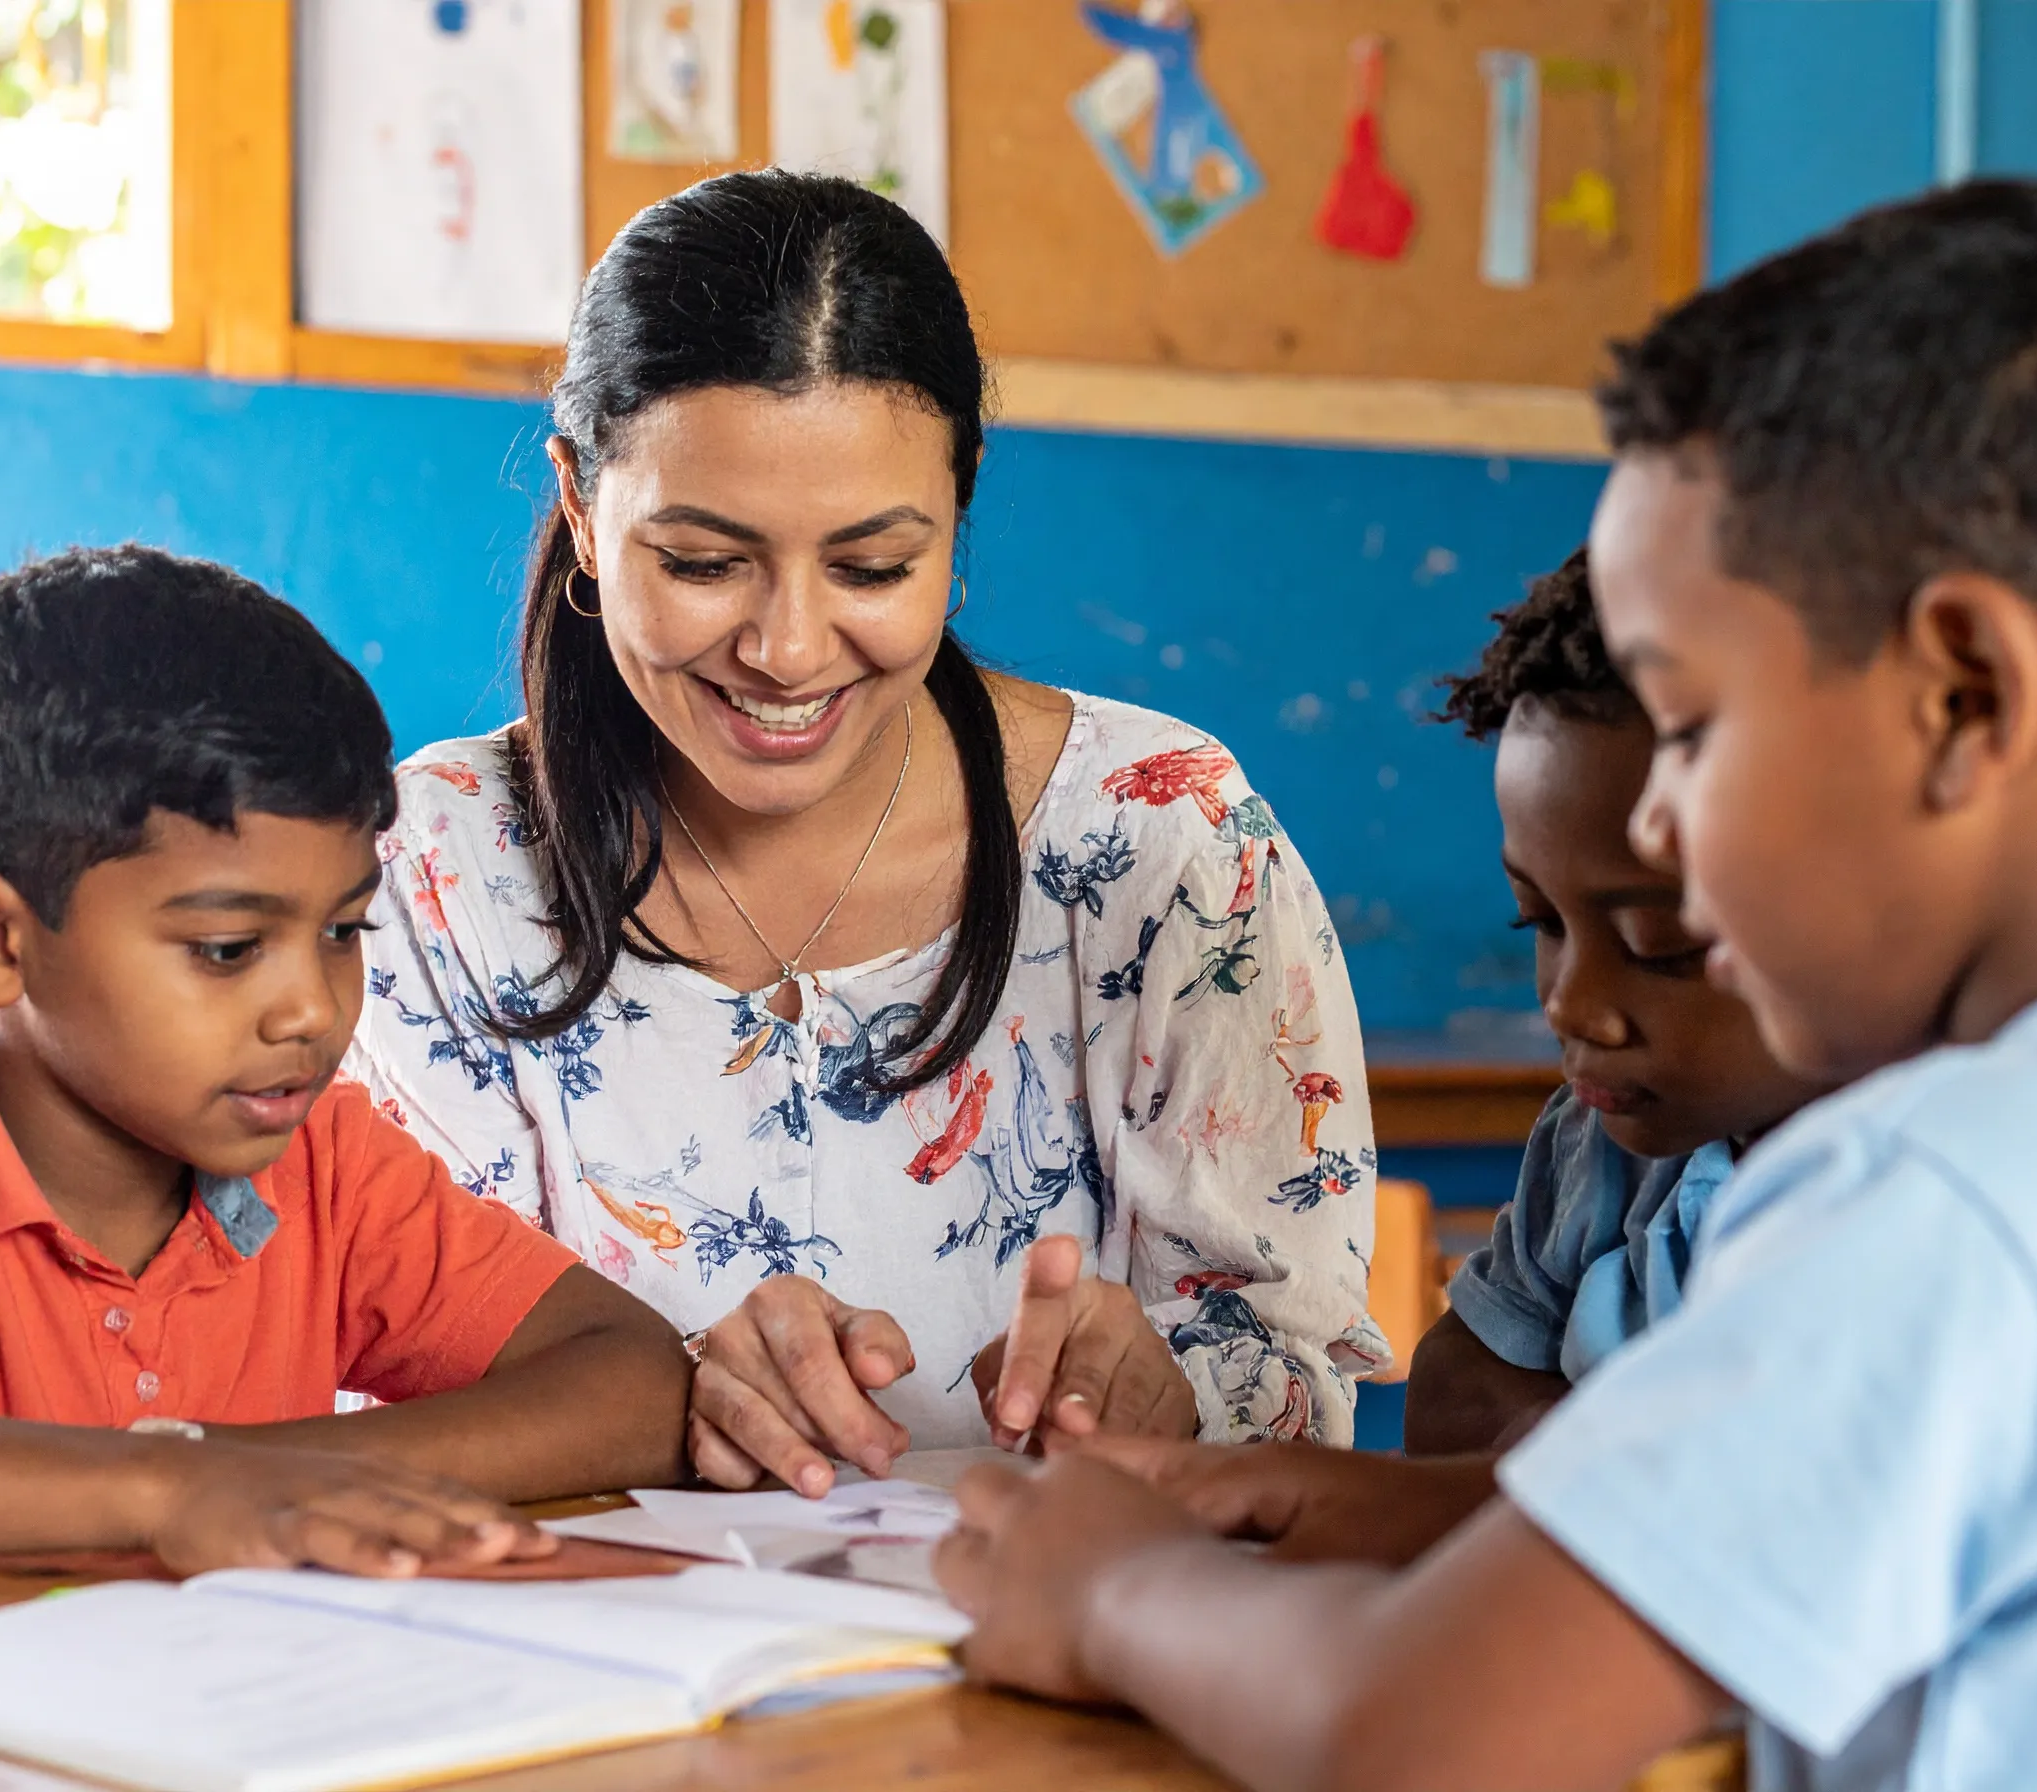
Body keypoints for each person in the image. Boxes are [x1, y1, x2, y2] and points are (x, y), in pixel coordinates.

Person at [937, 178, 2037, 1792]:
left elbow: (1407, 1733)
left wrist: (1115, 1593)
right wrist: (1396, 1507)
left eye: (1688, 729)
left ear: (1962, 694)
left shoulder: (1937, 1190)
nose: (1666, 819)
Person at [347, 168, 1386, 1497]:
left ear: (960, 512)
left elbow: (1302, 1378)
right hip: (584, 1677)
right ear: (583, 504)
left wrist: (1177, 1392)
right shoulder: (433, 873)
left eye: (874, 567)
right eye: (704, 561)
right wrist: (663, 1400)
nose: (785, 650)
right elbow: (384, 1377)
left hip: (1048, 1664)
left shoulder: (1165, 842)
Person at [0, 546, 690, 1576]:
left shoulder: (324, 1170)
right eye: (227, 949)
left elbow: (633, 1378)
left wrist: (249, 1470)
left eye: (345, 930)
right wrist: (166, 1488)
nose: (312, 1009)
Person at [1068, 548, 1828, 1565]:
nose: (1574, 1003)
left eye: (1660, 946)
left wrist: (1550, 1470)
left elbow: (1749, 1531)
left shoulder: (1923, 1191)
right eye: (1539, 923)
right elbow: (1459, 1395)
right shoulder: (1601, 1141)